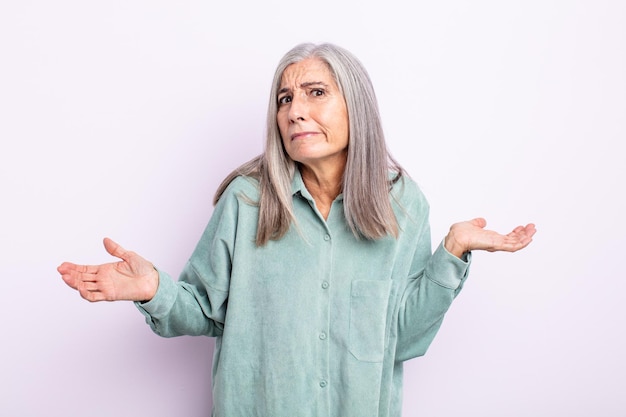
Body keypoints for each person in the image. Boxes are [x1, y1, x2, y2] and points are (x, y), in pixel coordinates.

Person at [58, 42, 536, 417]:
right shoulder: (246, 200)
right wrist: (154, 289)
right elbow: (204, 310)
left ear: (358, 107)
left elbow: (403, 337)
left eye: (316, 92)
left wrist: (450, 254)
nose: (294, 110)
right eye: (284, 99)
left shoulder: (404, 205)